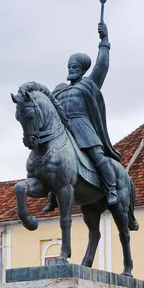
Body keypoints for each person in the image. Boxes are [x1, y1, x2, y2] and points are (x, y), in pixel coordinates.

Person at [42, 21, 121, 213]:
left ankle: (111, 188)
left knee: (98, 157)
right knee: (54, 159)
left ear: (83, 69)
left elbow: (102, 65)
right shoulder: (59, 90)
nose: (71, 69)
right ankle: (53, 196)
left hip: (83, 127)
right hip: (64, 129)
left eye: (75, 66)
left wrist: (105, 41)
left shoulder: (88, 84)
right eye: (69, 66)